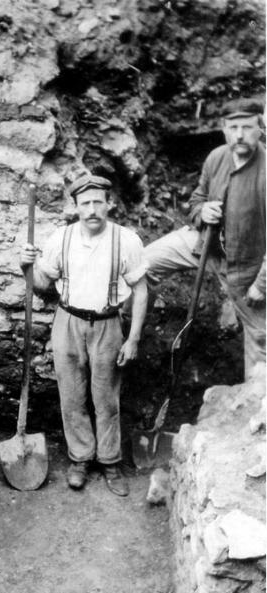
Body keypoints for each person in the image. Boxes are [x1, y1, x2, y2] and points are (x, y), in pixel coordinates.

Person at [20, 174, 148, 496]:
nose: (92, 210)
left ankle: (110, 461)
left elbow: (141, 289)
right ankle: (80, 458)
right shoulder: (61, 239)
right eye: (85, 203)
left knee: (106, 398)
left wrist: (133, 338)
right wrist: (27, 267)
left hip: (107, 325)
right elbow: (42, 286)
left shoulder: (126, 240)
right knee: (72, 396)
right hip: (68, 322)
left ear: (109, 204)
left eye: (98, 202)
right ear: (75, 207)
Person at [145, 97, 266, 378]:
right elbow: (197, 198)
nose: (239, 135)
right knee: (143, 263)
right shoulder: (216, 157)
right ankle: (130, 326)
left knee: (261, 341)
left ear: (260, 128)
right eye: (233, 127)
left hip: (246, 269)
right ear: (223, 129)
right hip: (205, 245)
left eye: (247, 127)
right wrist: (203, 210)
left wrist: (262, 285)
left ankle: (254, 400)